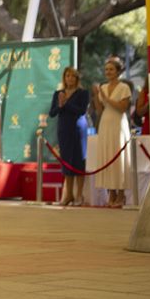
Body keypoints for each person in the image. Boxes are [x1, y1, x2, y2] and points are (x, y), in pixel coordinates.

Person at [90, 58, 134, 209]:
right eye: (106, 69)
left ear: (118, 71)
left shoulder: (124, 87)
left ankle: (121, 194)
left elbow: (122, 108)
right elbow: (100, 110)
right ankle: (111, 193)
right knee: (108, 156)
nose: (108, 72)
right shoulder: (103, 86)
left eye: (111, 69)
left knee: (119, 157)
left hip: (118, 123)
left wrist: (106, 97)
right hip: (106, 122)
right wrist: (97, 95)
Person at [48, 67, 90, 207]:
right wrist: (60, 105)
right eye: (67, 76)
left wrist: (67, 103)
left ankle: (79, 195)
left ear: (77, 78)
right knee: (66, 162)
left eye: (73, 76)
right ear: (64, 78)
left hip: (78, 130)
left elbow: (81, 111)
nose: (70, 79)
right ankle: (69, 195)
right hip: (64, 130)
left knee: (78, 161)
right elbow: (52, 113)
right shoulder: (58, 93)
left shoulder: (83, 93)